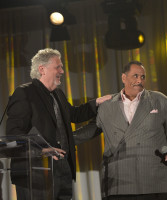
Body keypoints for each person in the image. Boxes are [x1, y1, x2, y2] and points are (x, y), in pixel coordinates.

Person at [6, 48, 111, 200]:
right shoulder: (25, 93)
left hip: (62, 169)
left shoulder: (58, 94)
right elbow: (13, 135)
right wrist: (42, 150)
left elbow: (74, 114)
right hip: (35, 173)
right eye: (58, 67)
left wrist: (97, 103)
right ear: (42, 69)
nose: (62, 71)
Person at [74, 61, 167, 200]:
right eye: (135, 76)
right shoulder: (107, 106)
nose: (139, 80)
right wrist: (59, 142)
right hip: (121, 184)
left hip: (159, 181)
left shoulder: (159, 100)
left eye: (143, 77)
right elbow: (88, 132)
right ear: (124, 78)